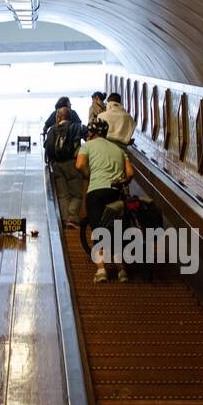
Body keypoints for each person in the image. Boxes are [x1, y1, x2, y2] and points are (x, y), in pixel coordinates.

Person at [77, 117, 134, 283]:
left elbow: (80, 165)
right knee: (116, 231)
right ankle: (121, 271)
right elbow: (130, 173)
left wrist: (89, 175)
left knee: (99, 231)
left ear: (91, 133)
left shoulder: (87, 146)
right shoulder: (118, 149)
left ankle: (101, 270)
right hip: (115, 193)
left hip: (96, 192)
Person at [45, 106, 83, 230]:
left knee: (62, 195)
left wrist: (51, 161)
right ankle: (72, 217)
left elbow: (48, 147)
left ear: (59, 116)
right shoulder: (77, 127)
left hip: (57, 165)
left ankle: (65, 219)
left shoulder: (52, 129)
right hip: (73, 163)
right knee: (76, 194)